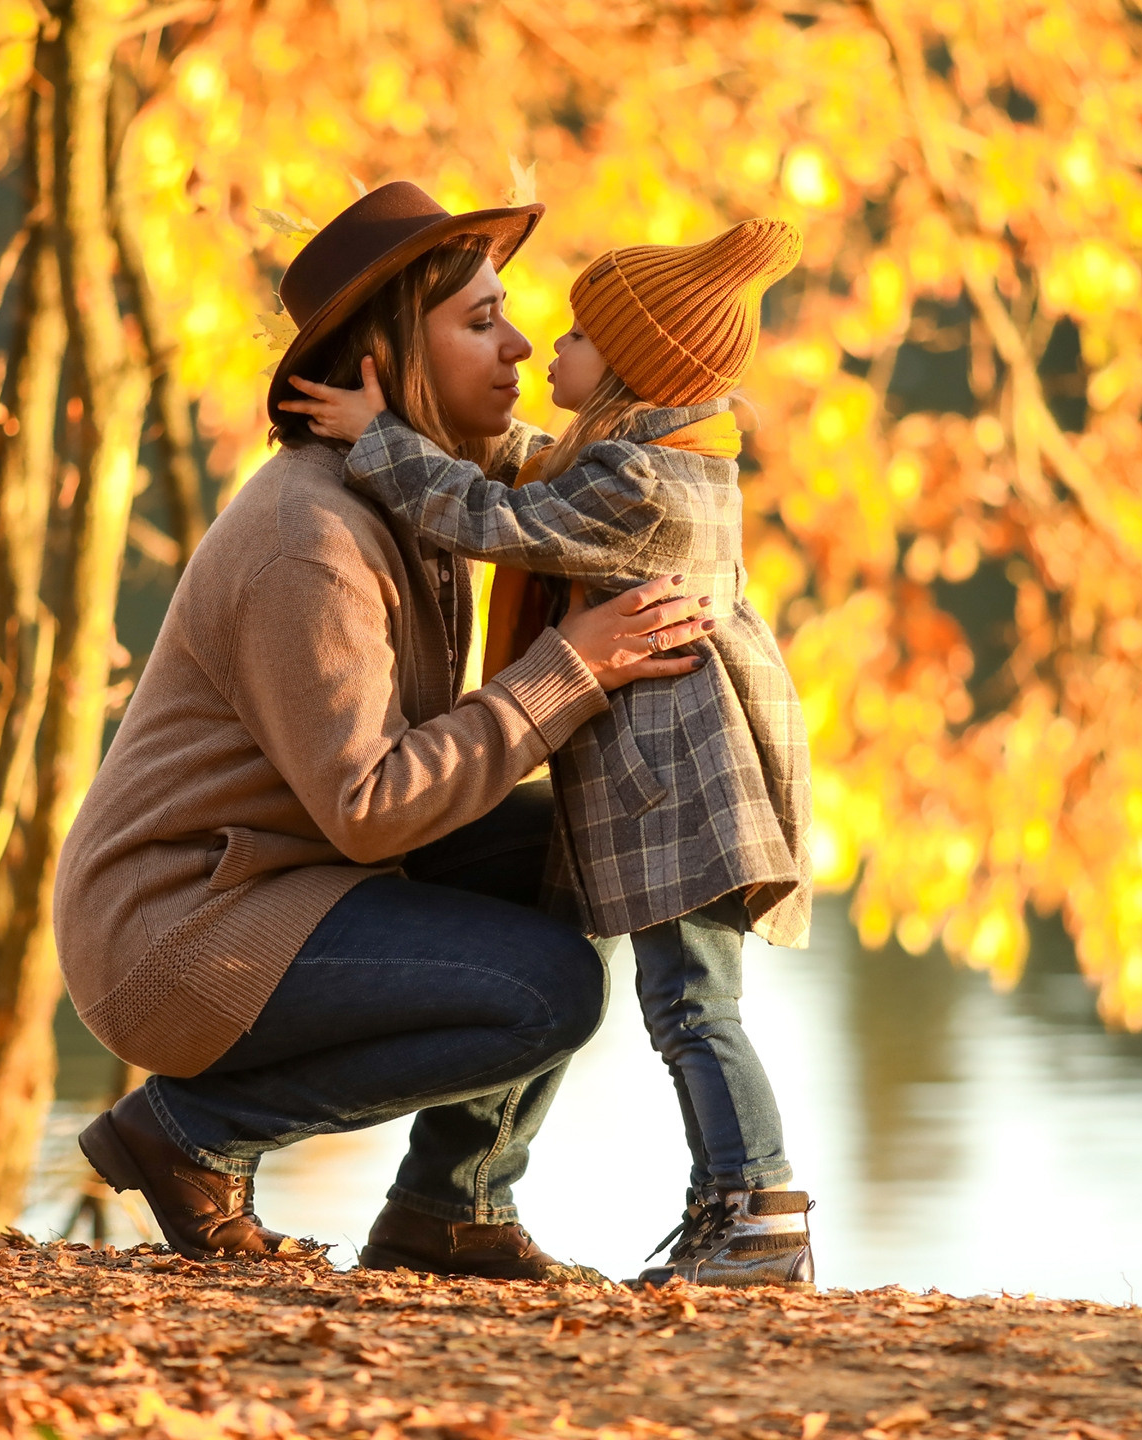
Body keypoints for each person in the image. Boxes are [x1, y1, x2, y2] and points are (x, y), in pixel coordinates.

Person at [53, 181, 711, 1279]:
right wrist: (573, 669)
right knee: (548, 992)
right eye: (481, 322)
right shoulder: (307, 538)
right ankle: (192, 1133)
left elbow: (592, 476)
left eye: (508, 315)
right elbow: (370, 807)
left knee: (591, 837)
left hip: (293, 876)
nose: (520, 345)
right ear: (385, 361)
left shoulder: (426, 485)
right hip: (182, 926)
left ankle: (451, 1209)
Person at [276, 219, 818, 1289]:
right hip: (680, 793)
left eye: (575, 336)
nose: (545, 349)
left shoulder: (642, 485)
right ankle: (726, 1211)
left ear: (626, 368)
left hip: (683, 798)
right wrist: (423, 431)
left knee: (694, 1009)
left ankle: (759, 1211)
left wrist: (380, 436)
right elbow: (536, 475)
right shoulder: (660, 459)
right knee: (688, 1008)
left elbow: (498, 520)